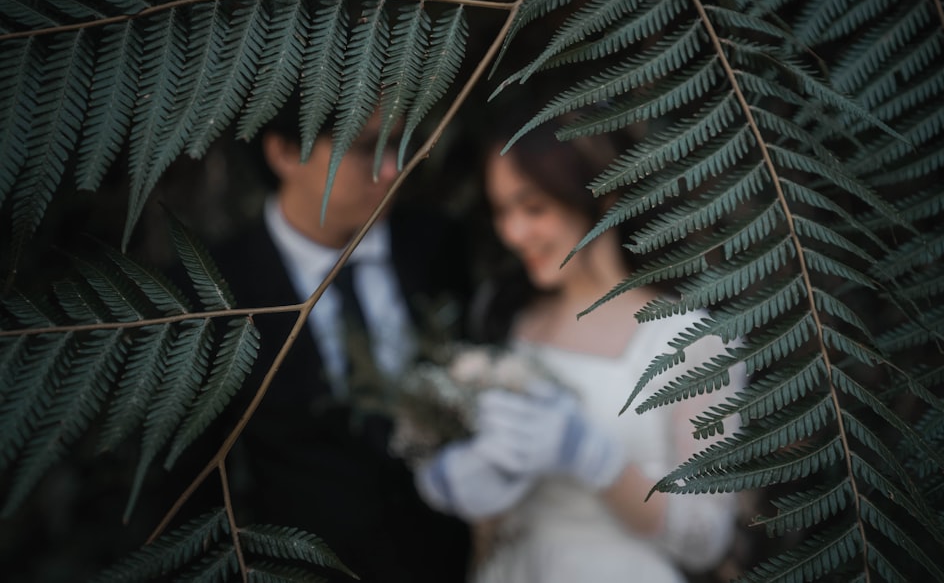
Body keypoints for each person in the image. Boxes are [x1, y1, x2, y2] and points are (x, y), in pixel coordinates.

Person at [414, 124, 745, 582]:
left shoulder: (691, 338)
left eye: (534, 207)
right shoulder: (507, 317)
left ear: (603, 199)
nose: (513, 232)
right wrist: (464, 483)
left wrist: (599, 461)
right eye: (501, 211)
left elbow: (707, 539)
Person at [179, 98, 473, 582]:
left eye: (396, 143)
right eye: (364, 149)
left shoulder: (436, 244)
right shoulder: (214, 291)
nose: (391, 168)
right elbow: (188, 487)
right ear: (283, 152)